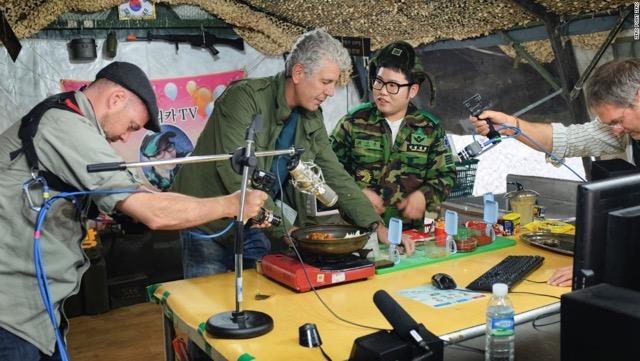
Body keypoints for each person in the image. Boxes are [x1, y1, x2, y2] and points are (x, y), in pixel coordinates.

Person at [0, 61, 268, 360]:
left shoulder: (69, 121)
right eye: (131, 127)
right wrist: (231, 204)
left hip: (35, 307)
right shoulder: (64, 125)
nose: (127, 138)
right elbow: (153, 212)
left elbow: (128, 197)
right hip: (11, 309)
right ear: (116, 99)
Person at [171, 29, 387, 278]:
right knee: (205, 306)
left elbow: (332, 172)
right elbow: (236, 173)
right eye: (325, 82)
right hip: (208, 220)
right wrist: (289, 230)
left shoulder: (311, 116)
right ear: (298, 73)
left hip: (254, 220)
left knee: (262, 298)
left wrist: (373, 224)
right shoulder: (244, 99)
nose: (330, 92)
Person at [469, 58, 640, 287]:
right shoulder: (626, 128)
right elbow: (567, 140)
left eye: (618, 121)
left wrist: (601, 265)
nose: (617, 130)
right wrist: (512, 126)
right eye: (610, 124)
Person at [330, 41, 456, 255]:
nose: (382, 92)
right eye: (379, 82)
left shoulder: (429, 129)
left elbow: (446, 175)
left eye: (393, 86)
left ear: (413, 90)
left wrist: (423, 196)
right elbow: (328, 169)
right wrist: (358, 193)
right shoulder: (353, 122)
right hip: (356, 235)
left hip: (408, 238)